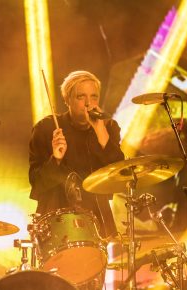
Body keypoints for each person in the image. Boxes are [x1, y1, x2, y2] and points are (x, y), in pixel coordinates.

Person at [28, 70, 125, 238]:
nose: (88, 103)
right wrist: (56, 159)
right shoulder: (46, 128)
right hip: (56, 219)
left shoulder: (108, 127)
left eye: (94, 97)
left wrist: (101, 132)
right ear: (67, 100)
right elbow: (37, 183)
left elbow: (118, 175)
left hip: (98, 219)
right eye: (81, 97)